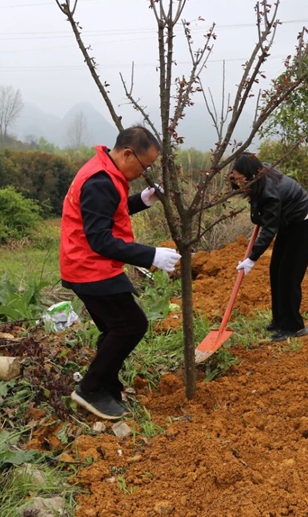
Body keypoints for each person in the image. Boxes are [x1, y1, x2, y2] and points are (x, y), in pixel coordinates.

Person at [60, 126, 182, 420]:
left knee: (114, 328)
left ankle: (107, 386)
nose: (145, 172)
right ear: (128, 153)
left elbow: (108, 211)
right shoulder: (100, 181)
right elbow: (100, 238)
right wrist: (150, 254)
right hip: (89, 267)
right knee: (131, 325)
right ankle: (90, 388)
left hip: (89, 265)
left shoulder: (105, 172)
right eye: (145, 165)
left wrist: (142, 200)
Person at [230, 153, 308, 341]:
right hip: (288, 220)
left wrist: (251, 258)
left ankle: (294, 326)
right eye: (235, 179)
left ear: (252, 175)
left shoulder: (269, 193)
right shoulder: (260, 176)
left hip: (303, 222)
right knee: (276, 269)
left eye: (240, 179)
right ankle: (279, 320)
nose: (238, 184)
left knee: (289, 275)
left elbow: (269, 231)